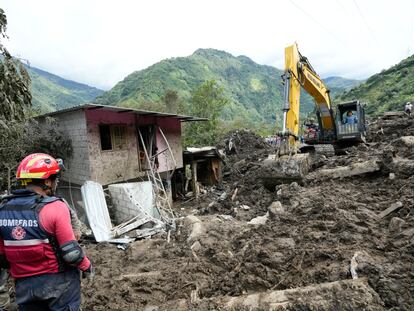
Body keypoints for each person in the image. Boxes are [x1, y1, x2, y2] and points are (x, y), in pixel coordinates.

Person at [0, 153, 93, 311]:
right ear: (47, 181)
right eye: (55, 179)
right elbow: (71, 253)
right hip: (59, 285)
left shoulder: (3, 209)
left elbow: (2, 257)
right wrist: (87, 267)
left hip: (24, 286)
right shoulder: (55, 207)